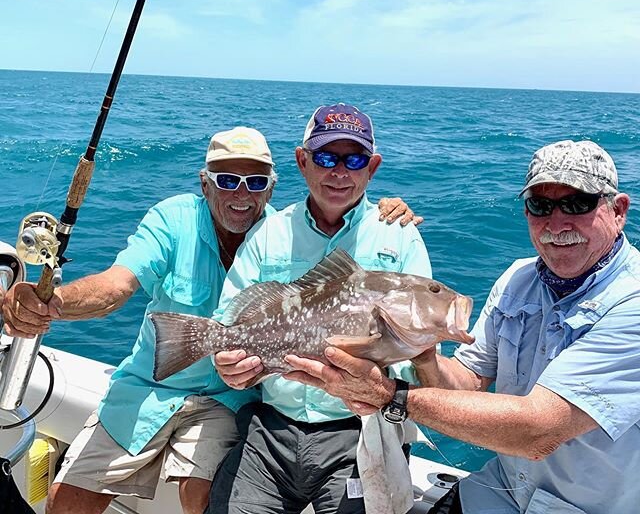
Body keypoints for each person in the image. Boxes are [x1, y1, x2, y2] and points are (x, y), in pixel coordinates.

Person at [1, 126, 418, 514]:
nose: (241, 193)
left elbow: (331, 267)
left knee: (203, 494)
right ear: (205, 183)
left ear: (270, 188)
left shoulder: (280, 235)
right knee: (67, 496)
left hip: (227, 395)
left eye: (255, 183)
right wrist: (54, 301)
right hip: (147, 386)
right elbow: (118, 285)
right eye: (226, 180)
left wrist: (382, 207)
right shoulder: (173, 219)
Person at [285, 139, 640, 514]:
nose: (557, 222)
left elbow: (539, 431)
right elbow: (468, 383)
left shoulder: (632, 301)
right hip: (501, 491)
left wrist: (390, 395)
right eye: (540, 205)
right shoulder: (517, 279)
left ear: (617, 211)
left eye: (576, 203)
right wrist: (424, 356)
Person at [208, 103, 432, 514]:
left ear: (373, 167)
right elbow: (230, 319)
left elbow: (416, 351)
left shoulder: (399, 236)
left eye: (355, 160)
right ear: (302, 161)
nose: (339, 172)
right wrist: (228, 364)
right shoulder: (269, 233)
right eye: (326, 158)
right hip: (270, 426)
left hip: (364, 429)